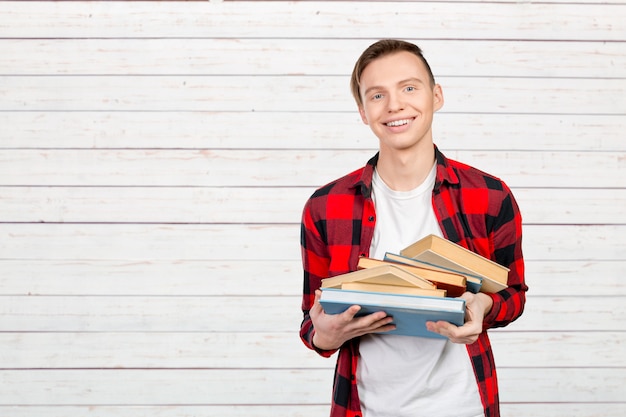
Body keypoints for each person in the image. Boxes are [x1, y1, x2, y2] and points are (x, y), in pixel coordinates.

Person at [299, 39, 527, 417]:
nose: (394, 105)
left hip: (465, 405)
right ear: (362, 111)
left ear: (436, 96)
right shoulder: (325, 207)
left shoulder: (490, 197)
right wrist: (325, 334)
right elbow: (313, 319)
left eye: (409, 87)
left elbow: (514, 294)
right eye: (377, 95)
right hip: (365, 407)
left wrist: (484, 305)